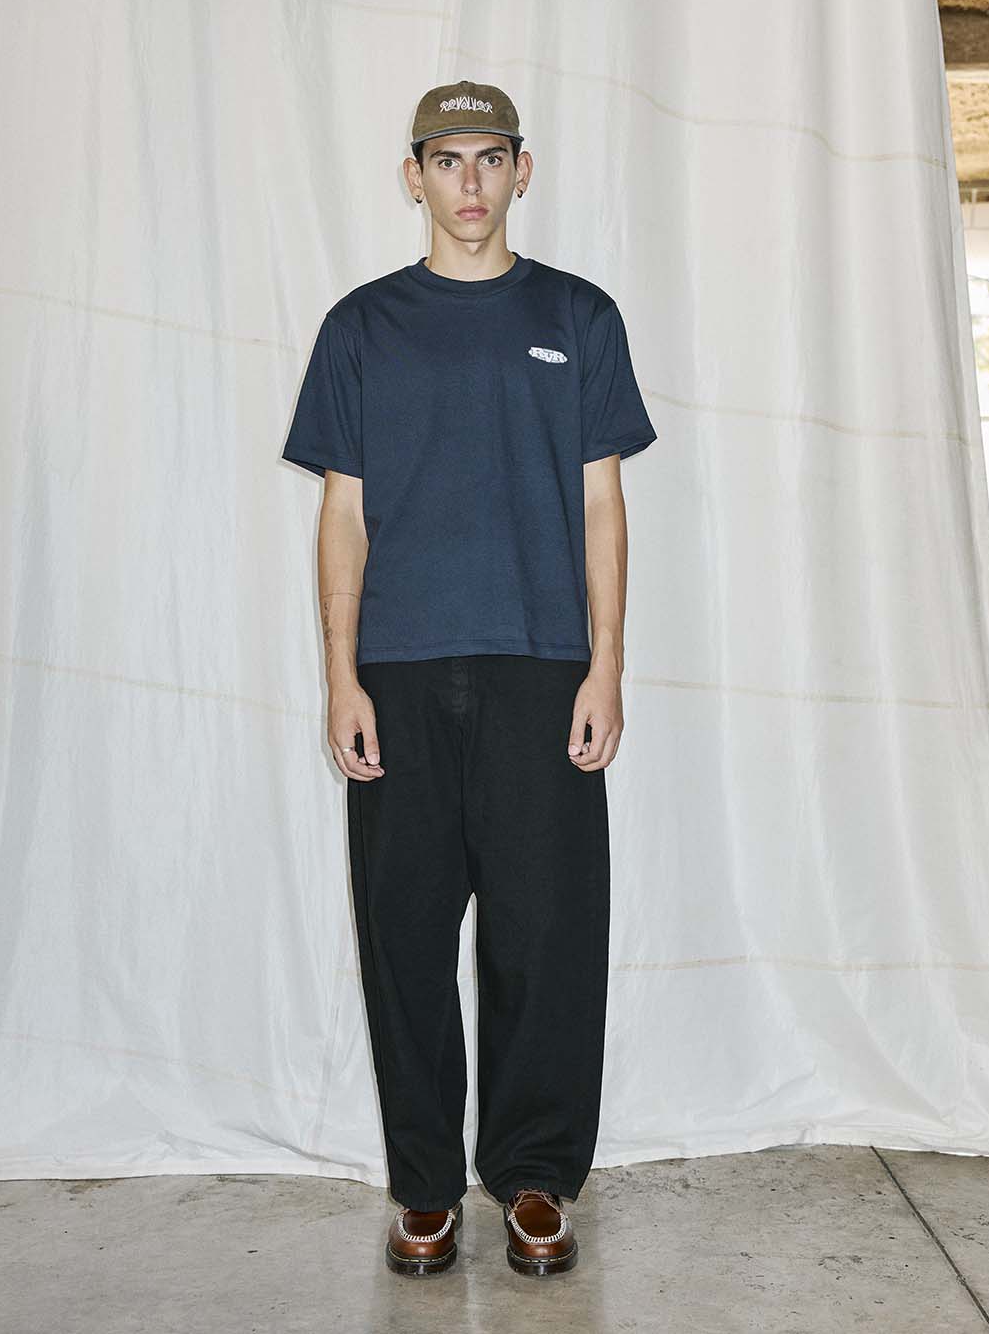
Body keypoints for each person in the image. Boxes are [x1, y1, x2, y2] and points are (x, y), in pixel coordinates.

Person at [281, 78, 657, 1278]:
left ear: (521, 170)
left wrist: (605, 664)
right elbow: (341, 517)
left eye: (490, 158)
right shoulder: (360, 326)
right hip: (397, 669)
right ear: (413, 177)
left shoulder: (577, 315)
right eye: (445, 160)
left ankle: (533, 1174)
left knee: (544, 934)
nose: (470, 183)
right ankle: (425, 1185)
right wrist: (339, 677)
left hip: (541, 666)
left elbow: (602, 505)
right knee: (403, 935)